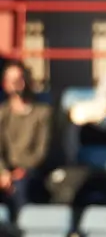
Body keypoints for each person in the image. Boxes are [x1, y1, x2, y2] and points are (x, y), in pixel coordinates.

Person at [0, 61, 52, 221]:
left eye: (19, 78)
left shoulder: (42, 113)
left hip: (30, 171)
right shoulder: (3, 114)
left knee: (21, 188)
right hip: (5, 171)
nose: (16, 84)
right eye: (12, 79)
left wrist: (20, 171)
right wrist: (3, 173)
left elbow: (41, 152)